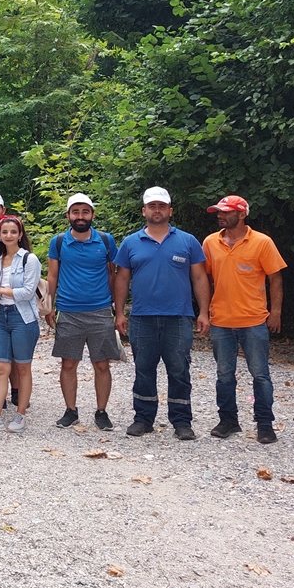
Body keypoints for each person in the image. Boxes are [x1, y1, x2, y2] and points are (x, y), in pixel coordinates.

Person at [114, 187, 210, 440]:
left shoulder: (188, 241)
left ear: (170, 210)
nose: (157, 210)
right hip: (142, 317)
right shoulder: (130, 243)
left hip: (178, 316)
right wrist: (120, 312)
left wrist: (204, 313)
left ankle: (181, 421)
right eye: (152, 206)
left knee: (179, 369)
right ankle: (143, 419)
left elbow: (200, 277)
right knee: (144, 368)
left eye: (162, 206)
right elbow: (122, 279)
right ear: (144, 210)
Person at [202, 195, 286, 444]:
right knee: (224, 374)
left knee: (260, 374)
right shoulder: (210, 242)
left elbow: (276, 278)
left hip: (254, 320)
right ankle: (228, 420)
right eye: (218, 211)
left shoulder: (262, 242)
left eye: (225, 212)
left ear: (242, 214)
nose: (220, 215)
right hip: (221, 321)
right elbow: (204, 278)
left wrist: (276, 313)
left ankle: (264, 424)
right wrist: (204, 312)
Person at [44, 194, 119, 431]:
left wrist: (117, 309)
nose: (80, 216)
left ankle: (101, 411)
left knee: (102, 364)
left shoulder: (106, 241)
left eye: (85, 212)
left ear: (92, 215)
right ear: (68, 216)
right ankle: (71, 410)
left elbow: (113, 275)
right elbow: (53, 276)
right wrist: (49, 305)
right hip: (68, 311)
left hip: (100, 311)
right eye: (75, 212)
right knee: (68, 364)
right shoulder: (58, 242)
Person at [0, 216, 41, 434]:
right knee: (0, 367)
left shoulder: (29, 259)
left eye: (13, 232)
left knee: (23, 368)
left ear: (20, 235)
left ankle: (21, 415)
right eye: (4, 232)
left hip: (22, 318)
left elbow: (27, 292)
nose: (9, 236)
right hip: (1, 316)